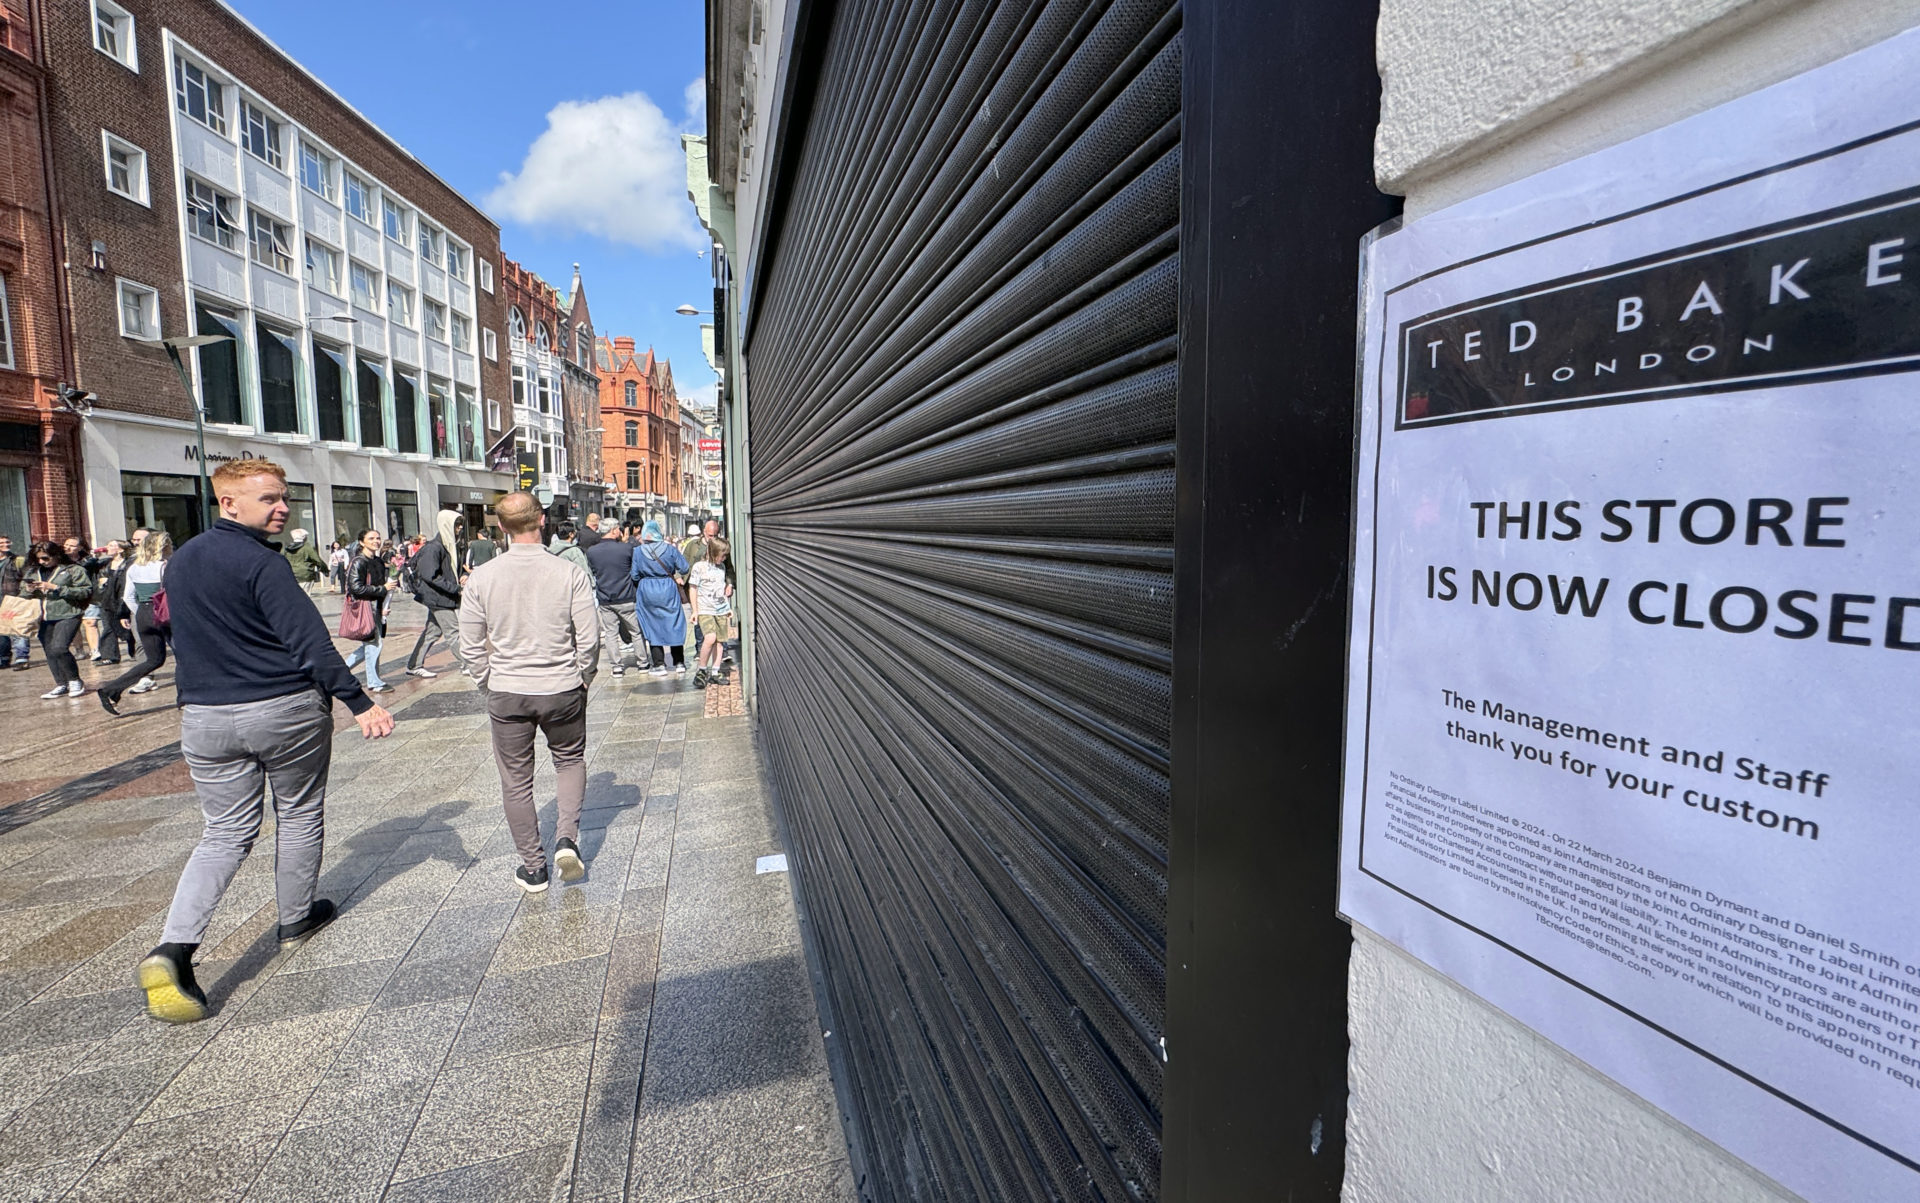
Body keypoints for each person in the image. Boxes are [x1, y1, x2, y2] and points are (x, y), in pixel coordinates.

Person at [134, 458, 394, 1024]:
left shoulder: (181, 561)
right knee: (299, 812)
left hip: (204, 716)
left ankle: (174, 948)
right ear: (228, 503)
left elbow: (171, 629)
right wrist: (358, 701)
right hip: (281, 709)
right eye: (270, 499)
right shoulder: (262, 563)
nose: (282, 509)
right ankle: (296, 918)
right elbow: (309, 643)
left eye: (284, 499)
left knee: (224, 832)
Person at [459, 492, 598, 893]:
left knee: (516, 782)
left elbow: (470, 644)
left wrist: (486, 680)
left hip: (508, 689)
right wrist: (583, 674)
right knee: (570, 760)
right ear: (542, 520)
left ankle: (534, 868)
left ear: (500, 527)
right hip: (561, 687)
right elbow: (589, 637)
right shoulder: (567, 572)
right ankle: (567, 839)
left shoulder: (483, 577)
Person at [98, 531, 174, 714]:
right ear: (163, 547)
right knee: (184, 655)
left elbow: (128, 597)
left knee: (153, 659)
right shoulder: (165, 566)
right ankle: (186, 696)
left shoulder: (134, 567)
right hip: (165, 613)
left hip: (143, 613)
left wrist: (141, 613)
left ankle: (111, 689)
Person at [21, 542, 93, 698]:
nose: (42, 562)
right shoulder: (33, 572)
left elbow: (85, 591)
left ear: (56, 555)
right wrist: (28, 591)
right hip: (43, 616)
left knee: (59, 647)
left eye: (45, 558)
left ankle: (75, 680)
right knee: (50, 651)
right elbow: (23, 596)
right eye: (38, 558)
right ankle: (61, 683)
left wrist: (56, 588)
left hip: (68, 613)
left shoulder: (73, 570)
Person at [405, 510, 466, 679]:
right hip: (438, 598)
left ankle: (414, 664)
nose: (460, 528)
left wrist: (461, 578)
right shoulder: (434, 547)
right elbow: (429, 575)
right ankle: (469, 664)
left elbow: (450, 571)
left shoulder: (448, 546)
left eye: (460, 524)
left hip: (442, 596)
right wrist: (454, 588)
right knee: (454, 632)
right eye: (456, 525)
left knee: (432, 632)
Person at [630, 521, 691, 675]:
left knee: (652, 625)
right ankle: (679, 662)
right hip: (668, 588)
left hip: (647, 589)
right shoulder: (670, 549)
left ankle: (659, 664)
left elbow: (634, 574)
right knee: (674, 623)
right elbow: (684, 568)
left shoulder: (637, 551)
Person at [342, 528, 396, 694]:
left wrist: (383, 605)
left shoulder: (378, 561)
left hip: (376, 608)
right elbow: (355, 587)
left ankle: (340, 671)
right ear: (361, 542)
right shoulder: (359, 561)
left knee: (370, 645)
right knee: (374, 644)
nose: (376, 541)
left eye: (378, 538)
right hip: (366, 607)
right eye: (371, 538)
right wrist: (382, 589)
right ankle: (373, 682)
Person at [584, 522, 639, 676]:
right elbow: (634, 571)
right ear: (614, 530)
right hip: (626, 596)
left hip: (605, 597)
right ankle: (643, 662)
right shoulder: (626, 548)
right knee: (636, 631)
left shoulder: (591, 551)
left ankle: (616, 666)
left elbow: (592, 571)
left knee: (610, 633)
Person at [689, 536, 734, 687]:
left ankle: (715, 671)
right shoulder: (699, 567)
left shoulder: (721, 568)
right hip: (705, 609)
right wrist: (695, 611)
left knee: (720, 641)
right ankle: (702, 669)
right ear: (713, 553)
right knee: (710, 638)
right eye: (722, 555)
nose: (724, 558)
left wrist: (727, 608)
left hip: (720, 609)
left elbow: (720, 591)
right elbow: (693, 589)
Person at [91, 540, 131, 665]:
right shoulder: (104, 563)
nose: (107, 547)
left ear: (121, 550)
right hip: (107, 599)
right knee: (108, 627)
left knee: (127, 627)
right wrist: (93, 557)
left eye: (112, 545)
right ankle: (110, 655)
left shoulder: (128, 563)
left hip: (123, 598)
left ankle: (134, 647)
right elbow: (86, 566)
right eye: (107, 544)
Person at [0, 534, 27, 670]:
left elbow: (26, 577)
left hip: (13, 598)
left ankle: (22, 658)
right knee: (2, 631)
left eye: (7, 542)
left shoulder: (16, 560)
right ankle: (3, 658)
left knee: (18, 629)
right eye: (2, 543)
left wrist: (23, 595)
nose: (5, 544)